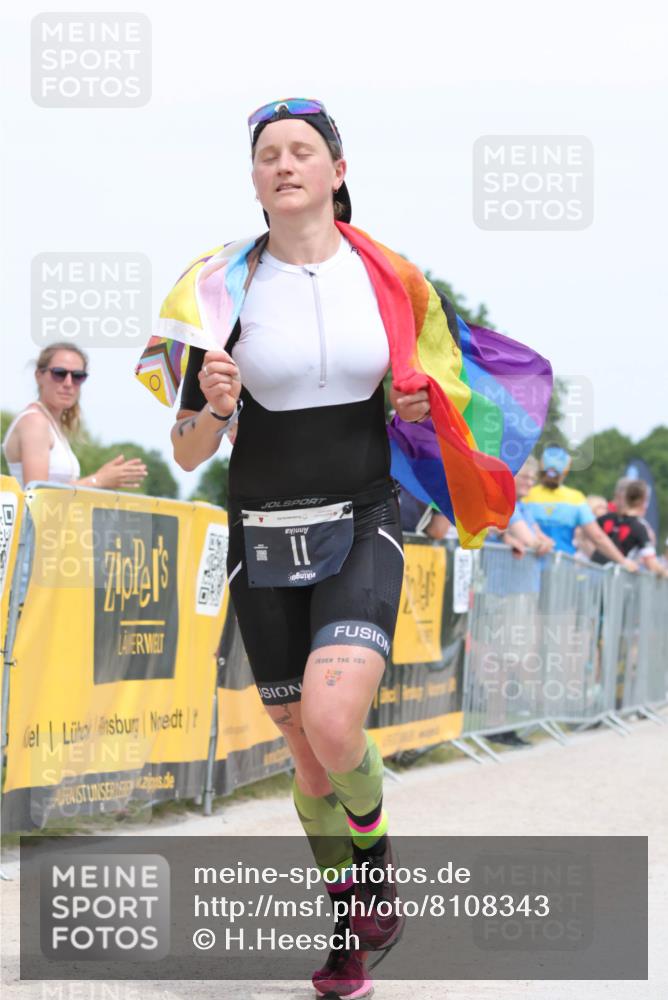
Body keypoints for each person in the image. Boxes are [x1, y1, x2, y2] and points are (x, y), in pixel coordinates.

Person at [138, 97, 547, 999]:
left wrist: (421, 407)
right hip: (261, 533)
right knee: (307, 753)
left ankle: (376, 863)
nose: (284, 165)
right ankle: (346, 933)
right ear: (255, 179)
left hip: (363, 520)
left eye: (302, 151)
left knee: (333, 721)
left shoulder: (393, 280)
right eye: (268, 155)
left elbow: (449, 401)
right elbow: (189, 452)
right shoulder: (215, 290)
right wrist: (213, 406)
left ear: (337, 170)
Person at [2, 342, 148, 490]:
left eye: (78, 376)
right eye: (59, 373)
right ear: (39, 376)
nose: (68, 383)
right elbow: (37, 493)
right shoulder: (35, 421)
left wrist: (101, 481)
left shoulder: (50, 424)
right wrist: (98, 480)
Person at [523, 446, 636, 571]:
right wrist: (623, 561)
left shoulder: (525, 495)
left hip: (526, 567)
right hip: (561, 569)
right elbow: (598, 537)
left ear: (542, 466)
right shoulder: (575, 499)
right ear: (566, 469)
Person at [592, 480, 668, 577]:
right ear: (643, 500)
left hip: (594, 572)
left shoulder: (605, 518)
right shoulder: (640, 527)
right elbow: (651, 563)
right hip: (618, 578)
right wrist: (664, 572)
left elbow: (582, 536)